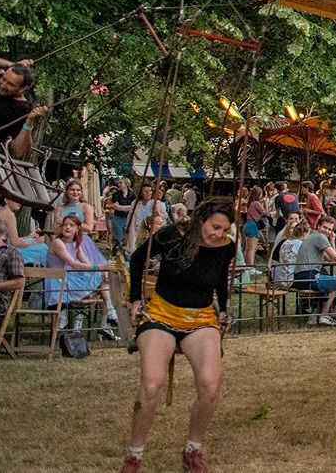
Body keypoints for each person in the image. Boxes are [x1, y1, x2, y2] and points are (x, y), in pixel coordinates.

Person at [122, 197, 235, 473]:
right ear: (201, 219)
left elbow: (220, 278)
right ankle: (134, 456)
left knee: (210, 385)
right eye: (215, 227)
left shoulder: (226, 247)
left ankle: (193, 450)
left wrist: (223, 309)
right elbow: (137, 259)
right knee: (151, 384)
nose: (218, 234)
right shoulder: (172, 235)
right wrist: (135, 298)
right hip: (161, 315)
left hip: (200, 318)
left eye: (224, 230)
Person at [49, 212, 121, 339]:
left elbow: (87, 262)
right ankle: (109, 316)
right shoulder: (58, 242)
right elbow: (74, 264)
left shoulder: (76, 244)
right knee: (99, 278)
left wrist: (101, 271)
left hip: (69, 278)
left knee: (102, 277)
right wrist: (98, 268)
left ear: (77, 229)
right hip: (57, 282)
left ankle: (108, 317)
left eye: (71, 225)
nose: (67, 227)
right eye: (65, 225)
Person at [287, 216, 336, 326]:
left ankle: (324, 316)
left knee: (334, 283)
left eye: (330, 229)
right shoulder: (319, 237)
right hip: (308, 277)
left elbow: (330, 258)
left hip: (301, 277)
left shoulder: (314, 236)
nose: (327, 231)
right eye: (325, 227)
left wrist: (332, 241)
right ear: (318, 226)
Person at [108, 178, 136, 249]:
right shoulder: (116, 194)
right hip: (118, 219)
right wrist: (129, 207)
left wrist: (121, 207)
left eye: (121, 183)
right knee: (119, 239)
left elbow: (134, 207)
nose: (119, 184)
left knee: (128, 239)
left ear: (126, 184)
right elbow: (116, 207)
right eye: (119, 183)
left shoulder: (132, 195)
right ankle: (118, 253)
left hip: (129, 219)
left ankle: (126, 253)